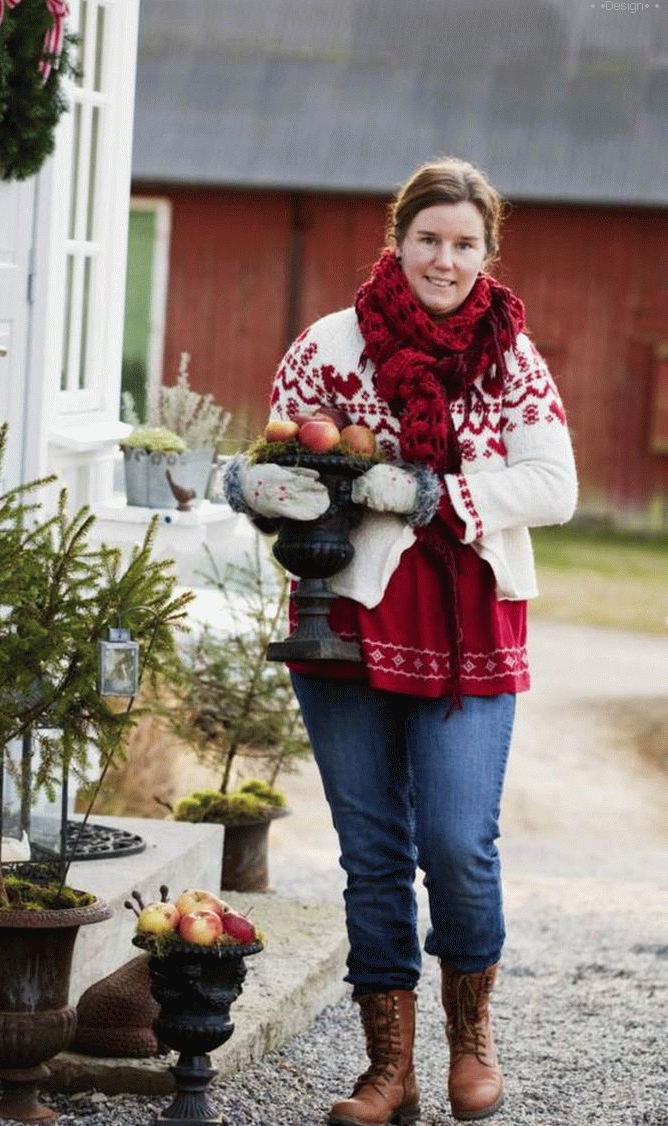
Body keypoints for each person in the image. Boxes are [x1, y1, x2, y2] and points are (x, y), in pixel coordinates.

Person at [223, 156, 577, 1125]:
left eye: (464, 244)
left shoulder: (509, 357)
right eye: (428, 238)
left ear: (486, 252)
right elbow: (284, 464)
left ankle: (470, 1036)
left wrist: (443, 495)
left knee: (458, 842)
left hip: (470, 625)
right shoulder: (330, 347)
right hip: (345, 623)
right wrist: (273, 485)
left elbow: (556, 485)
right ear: (398, 238)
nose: (444, 259)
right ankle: (390, 1069)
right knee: (373, 851)